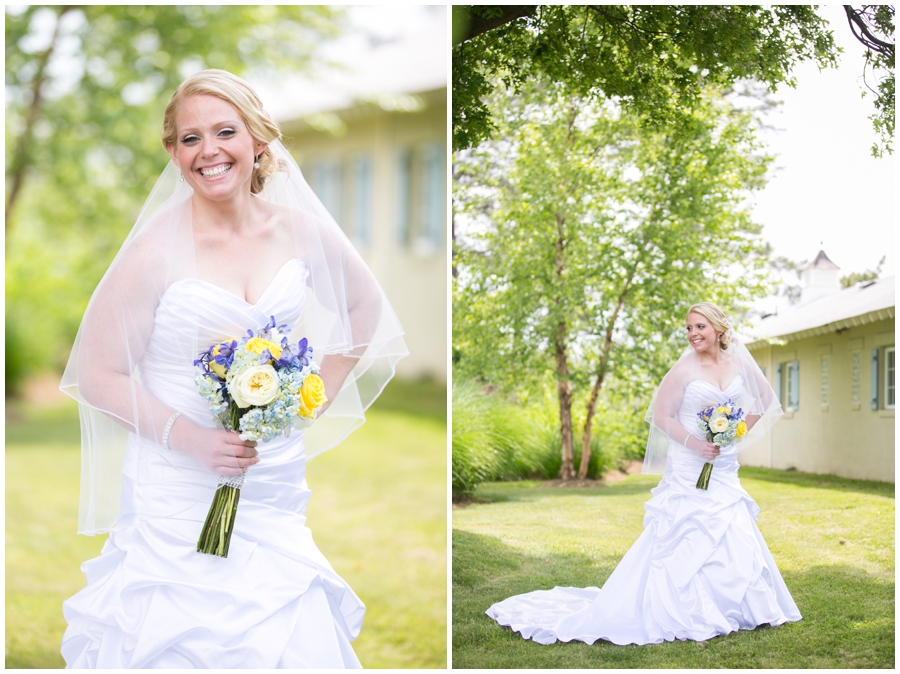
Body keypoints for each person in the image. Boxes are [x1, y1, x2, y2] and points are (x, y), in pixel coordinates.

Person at [59, 70, 407, 668]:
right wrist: (193, 439)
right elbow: (99, 374)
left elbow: (364, 310)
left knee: (286, 629)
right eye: (189, 139)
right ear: (172, 153)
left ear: (258, 140)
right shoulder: (151, 252)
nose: (209, 151)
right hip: (175, 484)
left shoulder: (300, 231)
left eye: (225, 131)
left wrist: (307, 395)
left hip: (271, 481)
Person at [485, 302, 801, 645]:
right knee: (686, 531)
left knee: (732, 525)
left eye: (700, 327)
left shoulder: (739, 362)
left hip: (723, 464)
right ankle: (682, 611)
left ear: (719, 329)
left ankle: (738, 607)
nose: (693, 334)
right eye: (688, 328)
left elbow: (765, 399)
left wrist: (733, 434)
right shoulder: (683, 370)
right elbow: (663, 418)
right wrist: (697, 443)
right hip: (689, 463)